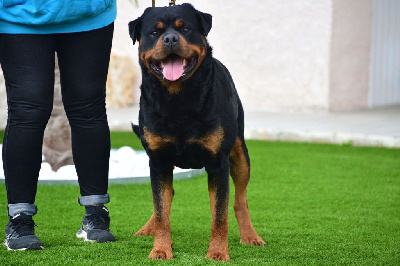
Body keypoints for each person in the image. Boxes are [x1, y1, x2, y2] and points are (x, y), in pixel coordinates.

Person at [0, 0, 117, 250]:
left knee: (89, 110)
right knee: (26, 113)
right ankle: (20, 219)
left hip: (88, 12)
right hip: (19, 15)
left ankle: (96, 215)